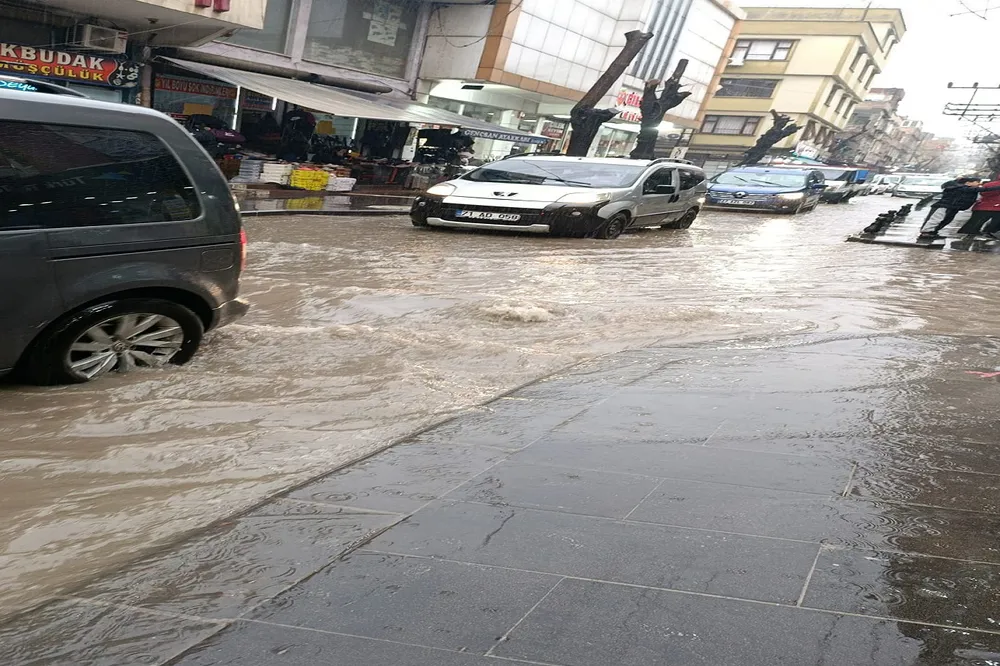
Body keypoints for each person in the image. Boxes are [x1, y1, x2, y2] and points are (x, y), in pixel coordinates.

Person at [918, 176, 1000, 239]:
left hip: (954, 207)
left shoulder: (964, 188)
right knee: (937, 218)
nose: (979, 184)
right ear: (968, 183)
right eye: (977, 182)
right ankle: (926, 232)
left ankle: (933, 232)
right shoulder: (960, 188)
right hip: (945, 206)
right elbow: (984, 190)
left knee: (946, 220)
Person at [957, 174, 1000, 238]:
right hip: (992, 207)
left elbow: (983, 193)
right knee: (995, 223)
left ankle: (965, 238)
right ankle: (988, 232)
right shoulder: (993, 184)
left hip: (983, 206)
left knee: (974, 224)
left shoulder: (990, 184)